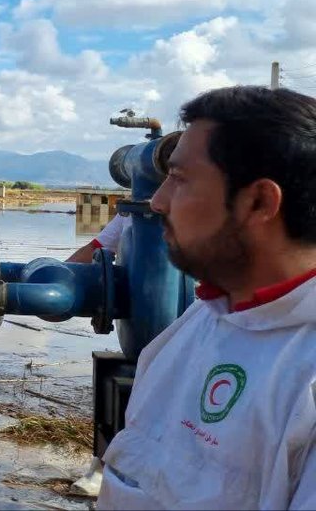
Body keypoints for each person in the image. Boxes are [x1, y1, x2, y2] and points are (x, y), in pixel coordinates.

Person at [97, 86, 316, 509]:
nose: (158, 202)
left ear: (258, 202)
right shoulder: (201, 320)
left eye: (179, 180)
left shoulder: (304, 378)